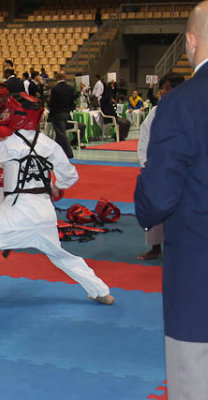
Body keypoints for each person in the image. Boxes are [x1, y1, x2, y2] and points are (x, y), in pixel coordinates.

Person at [0, 90, 114, 308]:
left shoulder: (11, 142)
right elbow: (70, 176)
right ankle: (102, 291)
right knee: (61, 256)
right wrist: (57, 186)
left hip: (18, 209)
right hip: (44, 211)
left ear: (18, 115)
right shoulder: (48, 143)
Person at [135, 3, 208, 398]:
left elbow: (158, 198)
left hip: (199, 271)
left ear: (191, 42)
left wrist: (144, 191)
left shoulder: (181, 103)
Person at [136, 72, 185, 261]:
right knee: (155, 209)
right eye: (162, 88)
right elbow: (144, 137)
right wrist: (145, 162)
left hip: (182, 168)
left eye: (167, 88)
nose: (163, 92)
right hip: (158, 168)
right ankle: (155, 248)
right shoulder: (156, 112)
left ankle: (181, 249)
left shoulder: (190, 110)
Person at [48, 72, 77, 158]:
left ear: (56, 78)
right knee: (59, 134)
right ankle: (55, 150)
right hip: (66, 113)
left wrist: (50, 112)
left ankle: (69, 153)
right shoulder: (70, 88)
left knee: (61, 133)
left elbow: (53, 103)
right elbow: (72, 102)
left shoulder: (55, 89)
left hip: (57, 114)